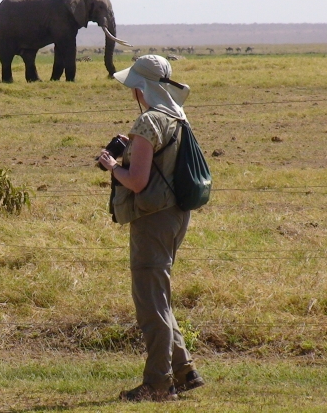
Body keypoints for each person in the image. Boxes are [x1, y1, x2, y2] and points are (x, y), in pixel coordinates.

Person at [97, 55, 205, 402]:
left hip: (153, 220)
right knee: (159, 298)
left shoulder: (148, 121)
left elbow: (137, 182)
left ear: (140, 87)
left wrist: (112, 165)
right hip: (176, 216)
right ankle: (184, 371)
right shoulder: (177, 115)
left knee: (150, 305)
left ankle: (158, 384)